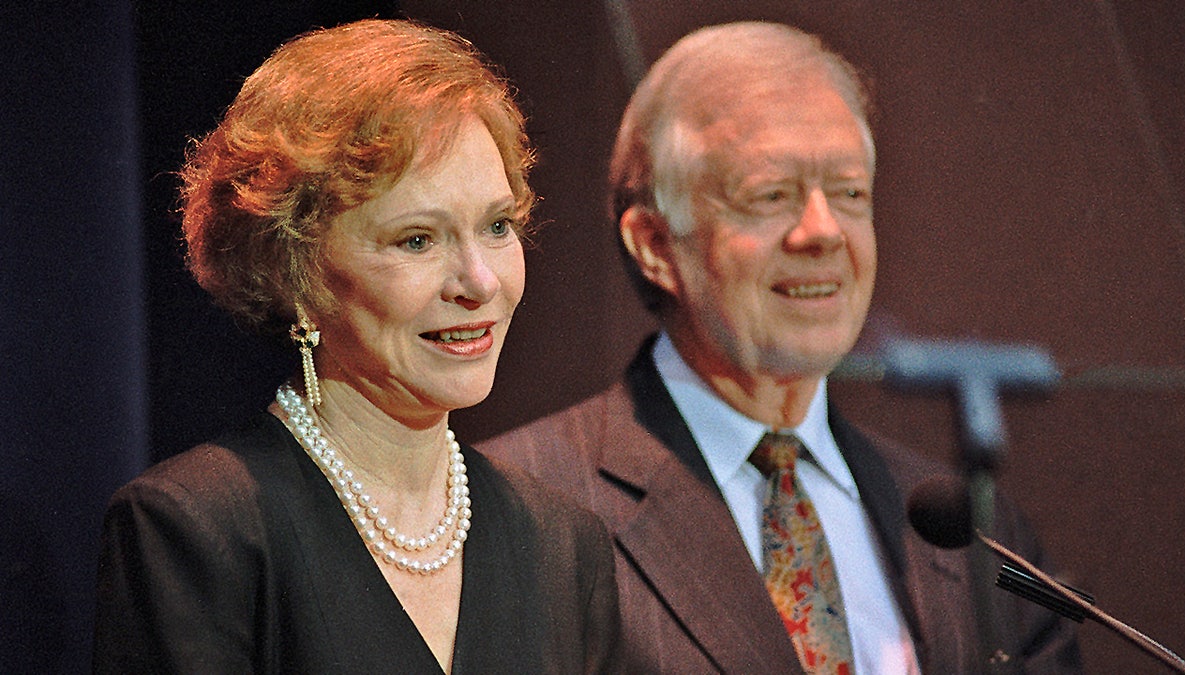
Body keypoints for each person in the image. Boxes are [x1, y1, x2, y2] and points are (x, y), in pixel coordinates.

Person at [480, 21, 1083, 673]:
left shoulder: (978, 541)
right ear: (656, 245)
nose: (823, 231)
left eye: (850, 192)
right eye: (771, 195)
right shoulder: (522, 511)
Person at [93, 19, 620, 673]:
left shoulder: (565, 546)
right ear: (296, 270)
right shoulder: (195, 530)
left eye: (496, 225)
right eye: (417, 239)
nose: (480, 281)